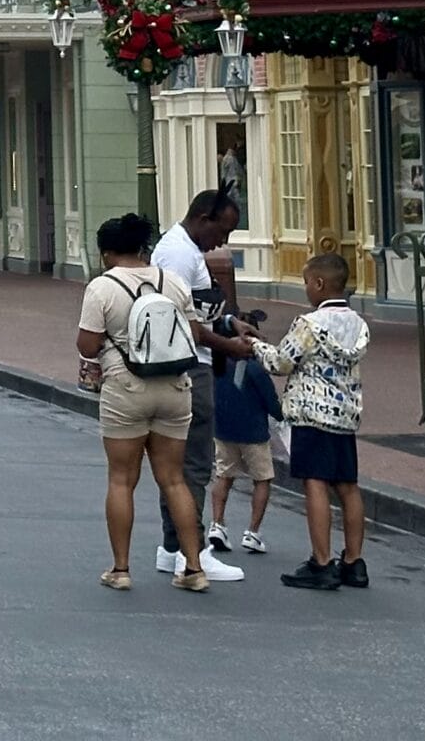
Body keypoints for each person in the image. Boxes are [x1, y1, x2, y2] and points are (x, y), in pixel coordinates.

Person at [75, 211, 213, 593]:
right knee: (174, 479)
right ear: (142, 248)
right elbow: (196, 333)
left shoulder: (102, 287)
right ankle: (194, 568)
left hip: (126, 388)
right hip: (175, 388)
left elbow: (87, 345)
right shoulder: (173, 282)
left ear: (106, 253)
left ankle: (120, 569)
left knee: (122, 479)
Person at [148, 189, 252, 581]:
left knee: (178, 464)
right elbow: (183, 322)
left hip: (192, 360)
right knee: (193, 463)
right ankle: (191, 551)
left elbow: (200, 312)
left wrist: (228, 323)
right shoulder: (179, 255)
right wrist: (229, 346)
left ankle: (172, 546)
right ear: (204, 218)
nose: (222, 242)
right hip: (192, 365)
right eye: (222, 231)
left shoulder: (186, 251)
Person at [254, 251, 372, 591]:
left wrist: (255, 346)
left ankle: (322, 562)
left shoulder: (309, 324)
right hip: (346, 415)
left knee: (315, 483)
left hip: (312, 414)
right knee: (348, 486)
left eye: (307, 282)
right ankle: (354, 561)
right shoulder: (358, 325)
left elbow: (280, 361)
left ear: (319, 283)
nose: (306, 288)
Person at [208, 329, 281, 558]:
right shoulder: (255, 369)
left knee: (224, 475)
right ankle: (253, 532)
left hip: (223, 430)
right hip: (253, 432)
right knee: (262, 479)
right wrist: (282, 415)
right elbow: (271, 402)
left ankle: (217, 524)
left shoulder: (217, 365)